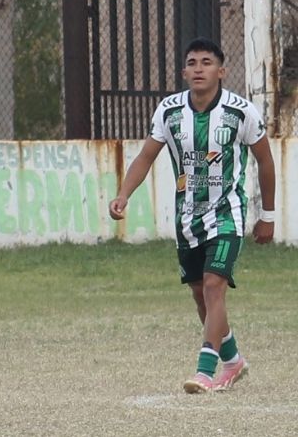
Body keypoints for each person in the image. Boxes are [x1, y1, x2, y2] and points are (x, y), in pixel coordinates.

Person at [108, 37, 275, 394]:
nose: (199, 69)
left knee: (215, 287)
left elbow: (264, 160)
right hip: (187, 218)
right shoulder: (169, 112)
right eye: (193, 63)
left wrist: (268, 215)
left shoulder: (240, 111)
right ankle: (233, 361)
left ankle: (204, 370)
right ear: (184, 71)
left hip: (227, 214)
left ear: (221, 70)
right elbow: (146, 157)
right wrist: (124, 194)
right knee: (201, 295)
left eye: (206, 62)